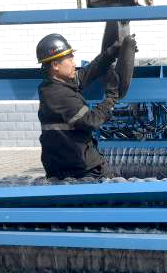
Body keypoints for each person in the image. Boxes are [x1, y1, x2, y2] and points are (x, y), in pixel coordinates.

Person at [37, 33, 133, 179]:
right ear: (55, 65)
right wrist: (111, 98)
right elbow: (90, 120)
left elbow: (86, 74)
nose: (74, 63)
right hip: (80, 169)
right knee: (114, 189)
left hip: (63, 164)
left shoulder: (52, 86)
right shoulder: (59, 95)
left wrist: (109, 55)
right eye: (70, 59)